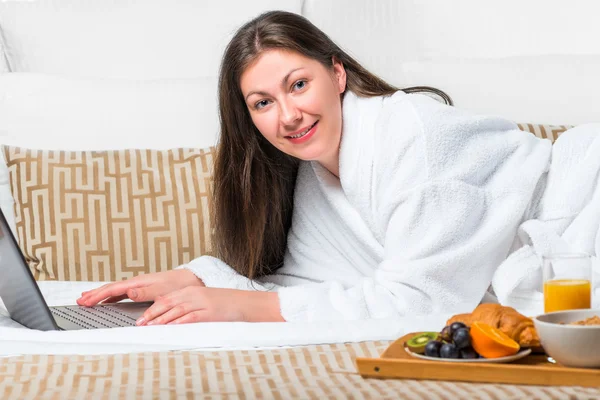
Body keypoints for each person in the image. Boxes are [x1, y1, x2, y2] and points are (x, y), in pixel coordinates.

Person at [77, 10, 600, 325]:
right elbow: (311, 285)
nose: (288, 115)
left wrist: (239, 307)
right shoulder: (312, 173)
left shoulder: (411, 137)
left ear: (337, 73)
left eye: (298, 85)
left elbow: (423, 299)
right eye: (261, 103)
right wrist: (193, 278)